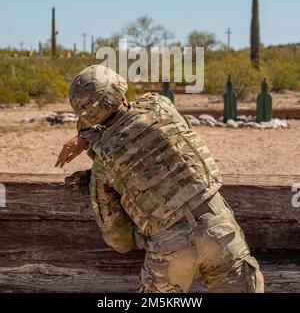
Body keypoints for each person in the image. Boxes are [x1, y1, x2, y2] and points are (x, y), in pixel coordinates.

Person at [56, 64, 264, 293]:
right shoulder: (160, 105)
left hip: (168, 248)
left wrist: (87, 138)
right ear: (121, 92)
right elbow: (139, 122)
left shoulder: (102, 165)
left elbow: (119, 241)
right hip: (219, 228)